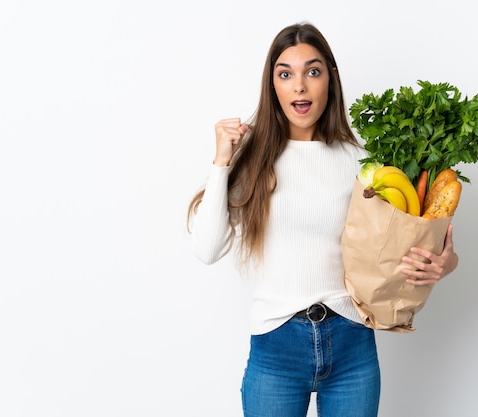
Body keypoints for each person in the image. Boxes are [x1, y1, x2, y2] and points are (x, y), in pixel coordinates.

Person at [187, 22, 458, 417]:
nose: (299, 86)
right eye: (285, 74)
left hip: (352, 343)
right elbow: (207, 249)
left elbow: (399, 243)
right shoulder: (252, 158)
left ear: (330, 79)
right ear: (273, 85)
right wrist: (221, 161)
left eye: (312, 71)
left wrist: (445, 263)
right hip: (276, 348)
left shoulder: (364, 160)